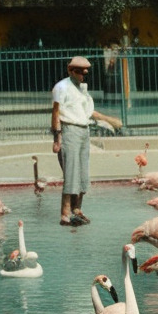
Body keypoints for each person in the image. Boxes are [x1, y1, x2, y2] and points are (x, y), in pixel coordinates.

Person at [51, 56, 121, 227]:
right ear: (70, 70)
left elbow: (88, 112)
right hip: (69, 130)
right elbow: (56, 113)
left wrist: (110, 120)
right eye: (79, 72)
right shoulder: (61, 87)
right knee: (71, 172)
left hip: (83, 131)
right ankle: (65, 214)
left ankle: (77, 210)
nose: (83, 75)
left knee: (82, 173)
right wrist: (57, 137)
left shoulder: (82, 89)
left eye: (85, 72)